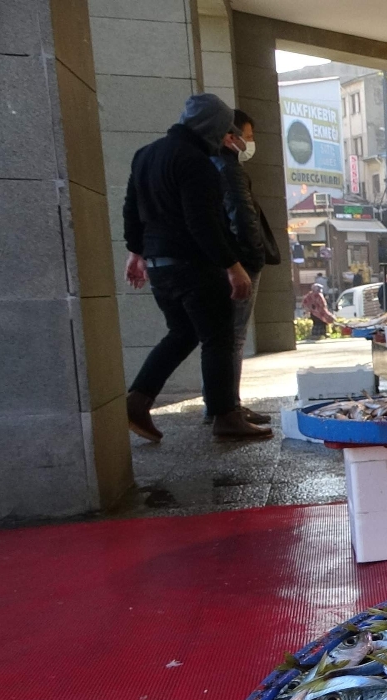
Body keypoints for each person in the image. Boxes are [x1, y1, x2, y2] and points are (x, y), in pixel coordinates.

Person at [124, 93, 271, 442]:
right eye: (223, 129)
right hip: (194, 265)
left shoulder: (145, 155)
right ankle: (225, 415)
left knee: (183, 332)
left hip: (160, 265)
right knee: (218, 337)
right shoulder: (196, 162)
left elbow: (132, 207)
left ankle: (137, 400)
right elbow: (202, 222)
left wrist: (136, 252)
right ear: (212, 126)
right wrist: (232, 265)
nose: (226, 137)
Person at [212, 107, 279, 427]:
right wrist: (251, 259)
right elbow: (243, 216)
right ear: (230, 137)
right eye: (247, 137)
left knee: (221, 337)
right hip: (240, 262)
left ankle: (220, 405)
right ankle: (229, 408)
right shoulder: (230, 169)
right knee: (234, 337)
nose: (250, 144)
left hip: (224, 261)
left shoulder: (209, 167)